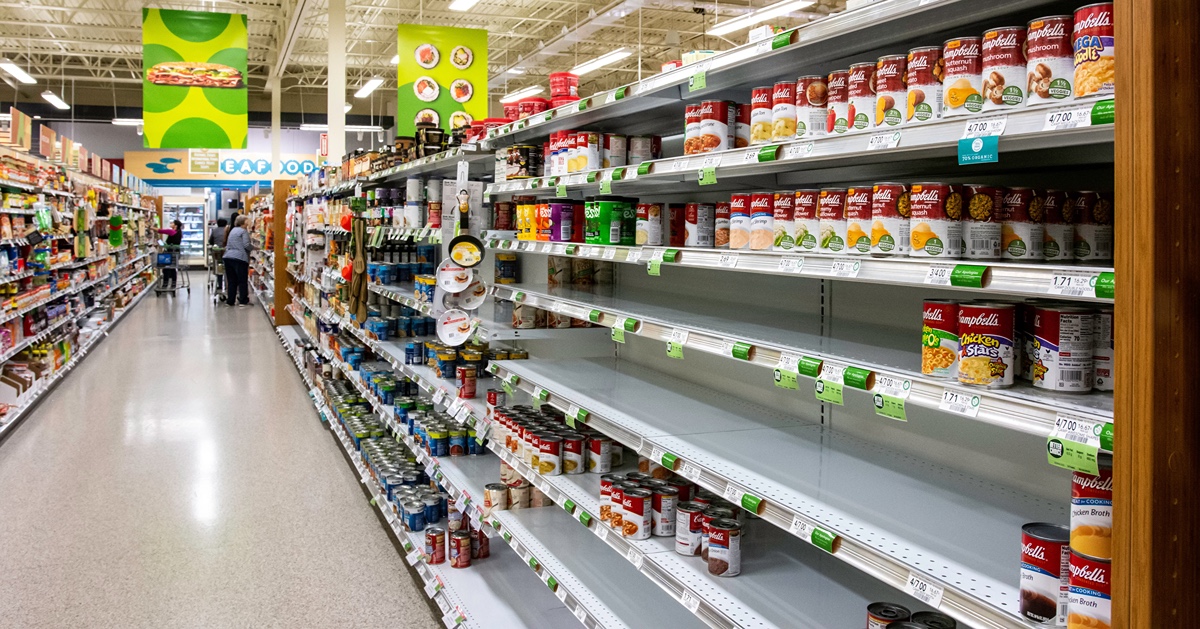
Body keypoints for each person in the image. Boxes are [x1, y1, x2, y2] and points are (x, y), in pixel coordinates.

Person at [222, 215, 253, 306]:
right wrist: (256, 248)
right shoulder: (243, 231)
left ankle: (230, 300)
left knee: (231, 280)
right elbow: (246, 245)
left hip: (228, 257)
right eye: (247, 220)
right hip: (239, 258)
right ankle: (243, 300)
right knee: (242, 280)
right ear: (244, 222)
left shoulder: (233, 230)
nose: (249, 222)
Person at [163, 219, 183, 288]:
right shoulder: (179, 232)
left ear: (175, 225)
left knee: (166, 268)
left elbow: (160, 230)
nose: (171, 224)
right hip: (176, 252)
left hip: (170, 252)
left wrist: (151, 227)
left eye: (172, 223)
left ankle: (165, 284)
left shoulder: (172, 232)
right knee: (173, 268)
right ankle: (173, 284)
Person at [209, 218, 228, 290]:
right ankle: (227, 285)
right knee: (226, 268)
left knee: (219, 268)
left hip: (217, 252)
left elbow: (210, 241)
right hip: (226, 251)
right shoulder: (228, 230)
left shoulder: (214, 230)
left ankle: (219, 285)